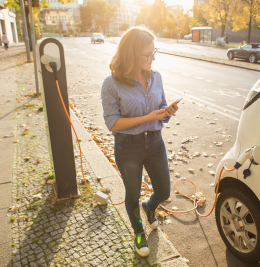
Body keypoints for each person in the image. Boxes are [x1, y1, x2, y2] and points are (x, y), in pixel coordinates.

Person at [101, 26, 178, 257]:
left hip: (155, 142)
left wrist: (167, 111)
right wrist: (147, 117)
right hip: (128, 146)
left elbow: (160, 106)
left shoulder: (156, 77)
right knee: (132, 193)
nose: (153, 58)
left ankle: (150, 206)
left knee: (164, 191)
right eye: (148, 54)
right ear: (131, 54)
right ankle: (138, 231)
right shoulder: (111, 83)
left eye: (154, 53)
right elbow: (112, 123)